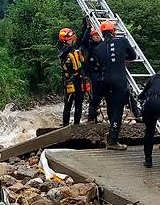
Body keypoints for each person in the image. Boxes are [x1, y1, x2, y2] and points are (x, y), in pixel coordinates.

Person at [95, 20, 137, 150]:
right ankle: (113, 140)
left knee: (110, 106)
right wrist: (121, 58)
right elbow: (133, 55)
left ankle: (111, 135)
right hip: (119, 79)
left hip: (105, 80)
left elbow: (100, 63)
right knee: (118, 109)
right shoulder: (122, 41)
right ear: (113, 31)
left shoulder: (98, 47)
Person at [82, 18, 108, 123]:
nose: (97, 37)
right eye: (94, 36)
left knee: (105, 92)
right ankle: (92, 115)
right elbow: (84, 40)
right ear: (92, 37)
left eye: (98, 36)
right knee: (95, 93)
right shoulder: (89, 45)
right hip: (93, 72)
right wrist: (88, 28)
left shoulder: (104, 44)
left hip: (103, 72)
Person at [58, 27, 85, 126]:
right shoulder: (62, 50)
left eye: (71, 38)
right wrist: (69, 46)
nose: (71, 40)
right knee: (68, 104)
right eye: (69, 38)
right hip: (69, 80)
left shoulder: (75, 48)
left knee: (79, 103)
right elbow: (62, 56)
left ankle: (77, 124)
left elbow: (80, 63)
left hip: (79, 79)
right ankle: (65, 125)